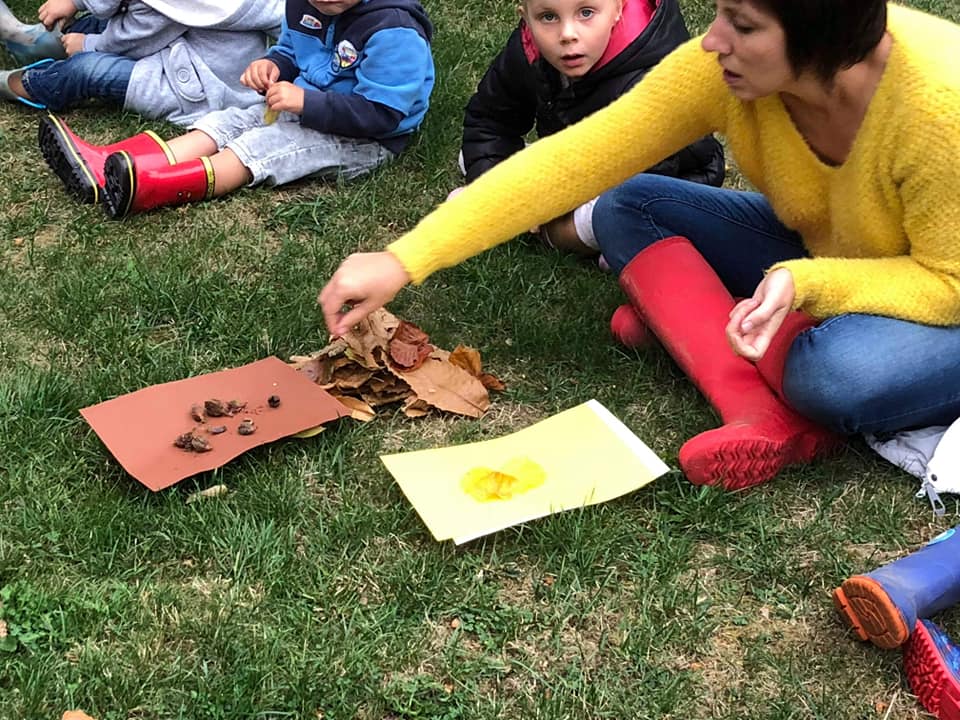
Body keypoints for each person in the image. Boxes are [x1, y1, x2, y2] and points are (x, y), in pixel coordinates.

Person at [318, 0, 960, 492]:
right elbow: (577, 159)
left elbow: (947, 283)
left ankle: (706, 330)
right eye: (720, 13)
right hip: (833, 244)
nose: (712, 40)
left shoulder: (939, 107)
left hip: (941, 292)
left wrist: (811, 284)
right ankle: (745, 383)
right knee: (631, 204)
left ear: (824, 39)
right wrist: (405, 258)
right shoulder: (724, 70)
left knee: (830, 373)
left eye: (742, 25)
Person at [39, 0, 436, 215]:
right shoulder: (306, 4)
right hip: (305, 103)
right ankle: (110, 163)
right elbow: (290, 50)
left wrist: (306, 101)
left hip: (367, 139)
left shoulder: (392, 29)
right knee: (229, 120)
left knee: (263, 147)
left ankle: (155, 188)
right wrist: (273, 65)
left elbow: (383, 114)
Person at [456, 0, 723, 258]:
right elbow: (490, 121)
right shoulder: (529, 50)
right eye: (548, 17)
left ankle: (556, 234)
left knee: (602, 214)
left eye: (586, 12)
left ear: (618, 9)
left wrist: (548, 200)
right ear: (526, 18)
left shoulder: (649, 79)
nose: (567, 34)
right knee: (475, 158)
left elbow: (644, 179)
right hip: (579, 161)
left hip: (668, 181)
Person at [0, 0, 284, 123]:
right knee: (98, 24)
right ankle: (33, 43)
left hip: (193, 81)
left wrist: (88, 44)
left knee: (87, 69)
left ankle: (24, 85)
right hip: (179, 42)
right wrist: (77, 4)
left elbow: (134, 40)